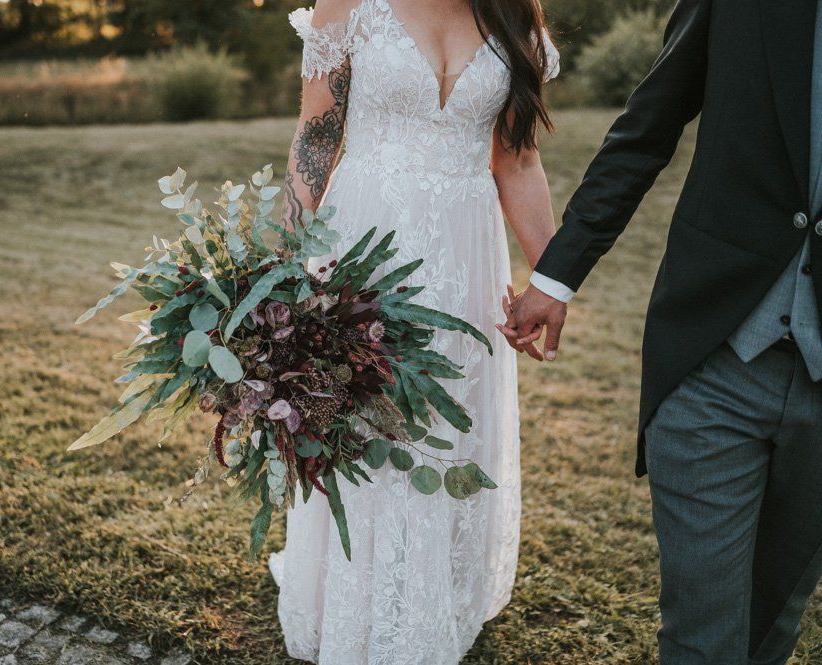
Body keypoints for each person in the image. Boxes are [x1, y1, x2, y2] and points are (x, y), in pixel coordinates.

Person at [502, 1, 822, 662]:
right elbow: (646, 129)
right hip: (714, 357)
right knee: (702, 638)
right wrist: (555, 278)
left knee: (773, 624)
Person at [269, 1, 560, 663]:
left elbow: (517, 161)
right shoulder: (350, 4)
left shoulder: (514, 15)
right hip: (364, 243)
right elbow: (316, 137)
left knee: (447, 422)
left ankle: (431, 599)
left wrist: (551, 281)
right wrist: (285, 268)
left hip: (466, 256)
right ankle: (353, 602)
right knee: (362, 417)